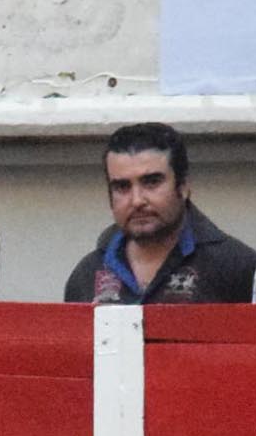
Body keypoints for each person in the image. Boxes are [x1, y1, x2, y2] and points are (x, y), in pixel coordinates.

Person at [63, 122, 256, 304]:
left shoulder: (238, 269)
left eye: (152, 182)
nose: (137, 200)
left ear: (183, 187)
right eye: (122, 187)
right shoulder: (87, 274)